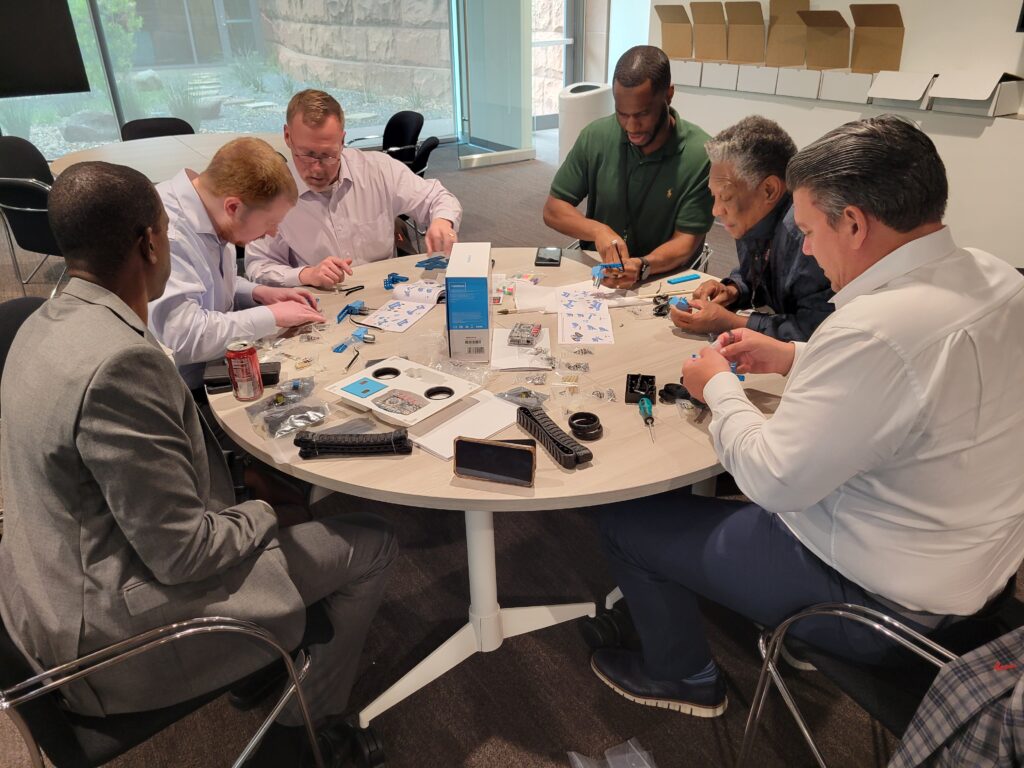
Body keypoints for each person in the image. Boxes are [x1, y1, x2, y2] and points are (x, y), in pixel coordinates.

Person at [590, 115, 1024, 718]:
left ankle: (683, 675)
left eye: (811, 230)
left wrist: (718, 388)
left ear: (853, 223)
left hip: (880, 604)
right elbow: (914, 381)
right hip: (986, 575)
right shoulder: (1000, 277)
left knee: (625, 521)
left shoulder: (872, 330)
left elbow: (769, 479)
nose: (809, 249)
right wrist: (795, 355)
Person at [0, 161, 398, 766]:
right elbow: (184, 555)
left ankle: (266, 666)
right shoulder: (120, 367)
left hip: (40, 592)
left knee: (267, 512)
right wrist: (268, 510)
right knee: (371, 545)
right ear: (152, 241)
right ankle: (305, 734)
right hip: (105, 647)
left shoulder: (38, 321)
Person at [148, 136, 326, 395]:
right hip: (189, 394)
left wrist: (257, 293)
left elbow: (209, 284)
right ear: (234, 206)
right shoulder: (169, 235)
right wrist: (273, 316)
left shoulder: (212, 207)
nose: (273, 233)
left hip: (219, 368)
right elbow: (186, 337)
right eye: (269, 223)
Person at [245, 89, 463, 289]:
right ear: (287, 137)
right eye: (307, 154)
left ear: (342, 140)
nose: (317, 168)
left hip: (384, 292)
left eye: (328, 155)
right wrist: (306, 274)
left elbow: (438, 197)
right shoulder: (270, 193)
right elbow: (258, 267)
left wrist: (442, 221)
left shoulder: (378, 169)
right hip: (318, 300)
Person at [543, 45, 713, 290]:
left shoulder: (700, 155)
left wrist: (643, 265)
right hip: (600, 276)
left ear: (669, 95)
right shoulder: (596, 136)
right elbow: (553, 209)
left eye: (643, 114)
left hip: (661, 278)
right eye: (622, 114)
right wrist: (598, 231)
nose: (632, 127)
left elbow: (686, 242)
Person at [669, 116, 834, 341]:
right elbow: (758, 274)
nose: (716, 210)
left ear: (769, 190)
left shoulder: (805, 237)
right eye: (713, 196)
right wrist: (733, 291)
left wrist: (731, 322)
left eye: (726, 197)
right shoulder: (753, 217)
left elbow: (816, 330)